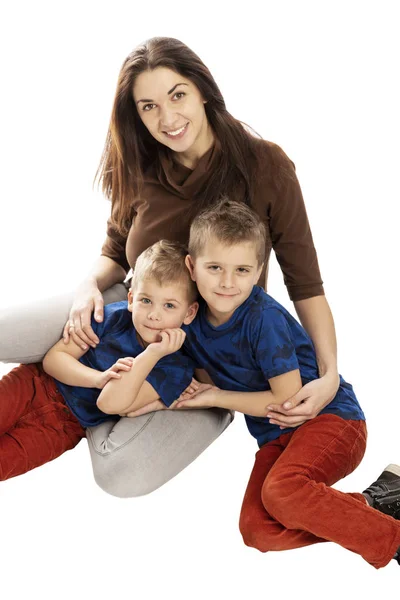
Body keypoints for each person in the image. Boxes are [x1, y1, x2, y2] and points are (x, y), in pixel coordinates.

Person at [0, 36, 366, 496]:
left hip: (201, 358)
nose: (168, 119)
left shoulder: (266, 167)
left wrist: (330, 374)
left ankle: (83, 408)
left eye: (177, 96)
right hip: (131, 307)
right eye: (149, 106)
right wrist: (88, 288)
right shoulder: (140, 164)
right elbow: (115, 251)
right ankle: (59, 385)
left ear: (203, 89)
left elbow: (306, 286)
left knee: (119, 476)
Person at [167, 199, 400, 569]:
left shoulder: (263, 319)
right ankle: (375, 505)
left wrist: (214, 395)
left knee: (281, 494)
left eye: (242, 270)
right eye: (215, 268)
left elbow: (288, 398)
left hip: (332, 422)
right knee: (257, 529)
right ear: (192, 268)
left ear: (259, 271)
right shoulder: (190, 317)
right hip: (278, 437)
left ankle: (393, 538)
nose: (228, 282)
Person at [0, 241, 198, 483]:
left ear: (189, 313)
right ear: (131, 299)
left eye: (169, 305)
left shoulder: (175, 369)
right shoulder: (115, 317)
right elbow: (54, 360)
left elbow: (110, 403)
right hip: (33, 384)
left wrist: (152, 354)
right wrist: (97, 378)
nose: (154, 314)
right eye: (146, 300)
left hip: (65, 427)